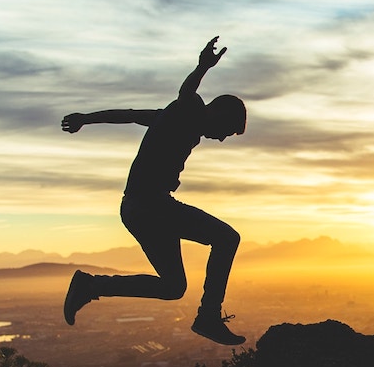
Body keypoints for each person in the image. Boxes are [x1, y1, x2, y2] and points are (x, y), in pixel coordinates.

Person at [61, 36, 247, 345]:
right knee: (227, 238)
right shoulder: (190, 110)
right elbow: (187, 92)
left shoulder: (175, 119)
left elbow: (131, 115)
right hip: (150, 206)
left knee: (173, 287)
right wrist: (202, 67)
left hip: (140, 209)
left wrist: (86, 119)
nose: (223, 139)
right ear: (219, 115)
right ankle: (208, 318)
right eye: (227, 131)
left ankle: (90, 286)